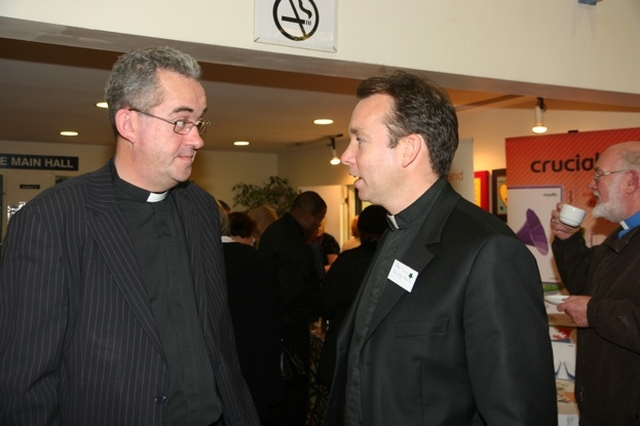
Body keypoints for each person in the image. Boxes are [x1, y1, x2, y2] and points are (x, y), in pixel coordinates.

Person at [0, 47, 259, 425]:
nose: (197, 140)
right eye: (180, 122)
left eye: (199, 123)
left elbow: (218, 337)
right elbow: (25, 382)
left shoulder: (201, 209)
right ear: (129, 123)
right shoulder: (52, 220)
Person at [322, 71, 557, 426]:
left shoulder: (489, 252)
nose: (346, 156)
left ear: (408, 149)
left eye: (360, 140)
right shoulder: (395, 233)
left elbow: (518, 413)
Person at [550, 141, 640, 425]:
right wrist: (568, 239)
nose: (592, 184)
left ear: (631, 180)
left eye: (600, 175)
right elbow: (586, 281)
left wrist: (594, 312)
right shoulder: (622, 235)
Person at [258, 191, 327, 426]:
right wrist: (320, 301)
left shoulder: (274, 232)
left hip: (269, 329)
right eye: (319, 220)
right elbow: (293, 295)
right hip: (288, 333)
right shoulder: (294, 243)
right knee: (292, 403)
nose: (318, 226)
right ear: (309, 217)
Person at [219, 208, 283, 423]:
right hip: (253, 358)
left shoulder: (197, 258)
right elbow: (272, 314)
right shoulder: (255, 259)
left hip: (216, 364)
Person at [317, 204, 388, 390]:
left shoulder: (347, 261)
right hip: (382, 351)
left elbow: (326, 304)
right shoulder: (396, 261)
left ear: (361, 231)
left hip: (344, 346)